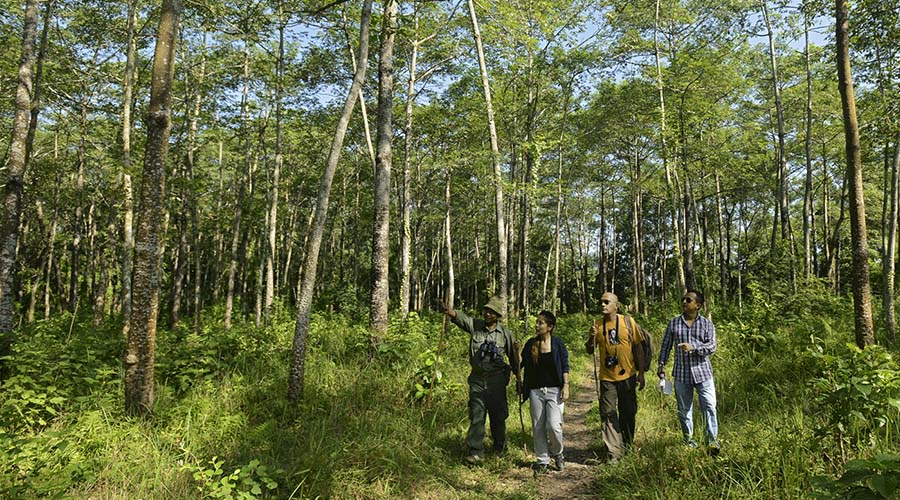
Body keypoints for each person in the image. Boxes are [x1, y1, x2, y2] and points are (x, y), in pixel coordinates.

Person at [440, 296, 519, 465]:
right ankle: (475, 452)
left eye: (491, 312)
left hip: (497, 380)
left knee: (498, 415)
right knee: (477, 415)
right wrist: (449, 311)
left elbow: (514, 358)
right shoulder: (476, 326)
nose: (487, 314)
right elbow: (462, 319)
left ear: (497, 315)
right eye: (486, 310)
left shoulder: (505, 333)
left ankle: (499, 446)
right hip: (477, 379)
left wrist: (519, 378)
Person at [657, 289, 720, 456]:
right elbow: (666, 346)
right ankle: (689, 442)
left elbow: (712, 347)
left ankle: (712, 443)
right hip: (681, 374)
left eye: (688, 300)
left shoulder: (707, 324)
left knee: (709, 406)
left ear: (697, 305)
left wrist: (694, 347)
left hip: (703, 374)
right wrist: (661, 366)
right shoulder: (674, 323)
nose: (684, 302)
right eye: (683, 299)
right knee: (684, 410)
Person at [585, 292, 646, 462]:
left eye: (606, 302)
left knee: (628, 412)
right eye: (601, 302)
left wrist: (641, 373)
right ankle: (614, 453)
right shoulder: (597, 325)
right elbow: (590, 350)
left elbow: (638, 347)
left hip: (628, 375)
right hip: (607, 377)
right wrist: (591, 337)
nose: (602, 305)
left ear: (615, 305)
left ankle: (627, 444)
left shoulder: (628, 322)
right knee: (607, 412)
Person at [519, 310, 569, 474]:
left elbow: (564, 365)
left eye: (541, 323)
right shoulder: (530, 344)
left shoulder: (558, 343)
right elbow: (520, 364)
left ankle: (558, 453)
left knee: (554, 426)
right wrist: (515, 351)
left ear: (550, 327)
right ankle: (542, 460)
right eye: (537, 322)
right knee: (538, 425)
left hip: (554, 390)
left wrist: (566, 385)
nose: (537, 325)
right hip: (535, 391)